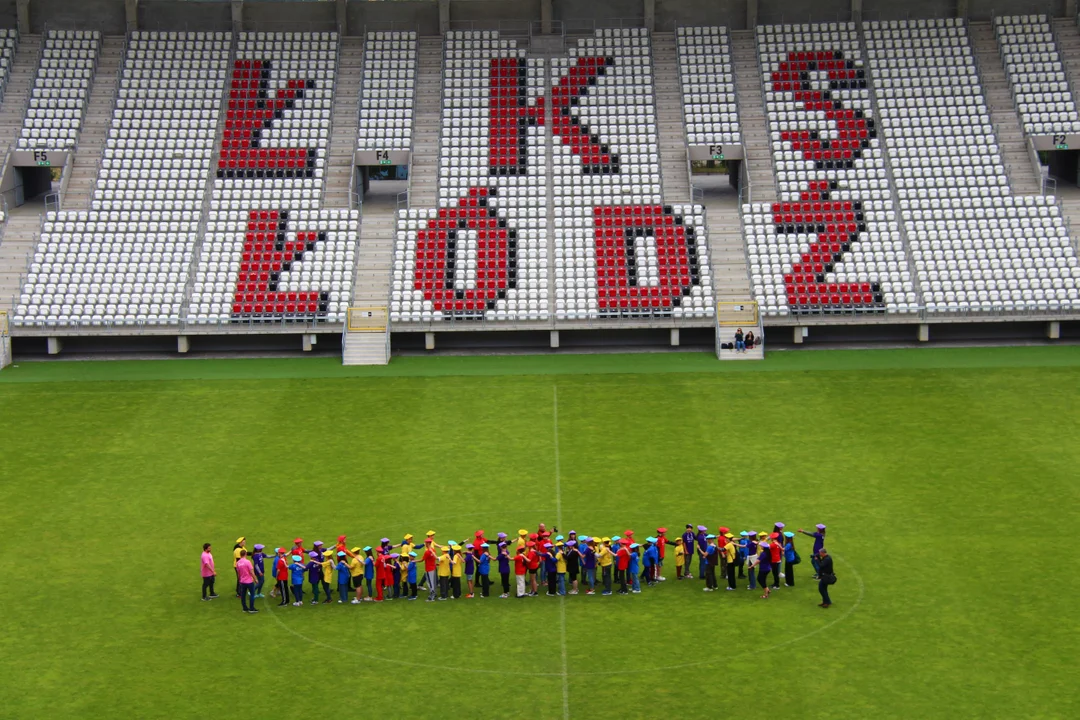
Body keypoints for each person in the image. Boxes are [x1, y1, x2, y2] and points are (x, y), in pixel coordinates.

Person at [236, 549, 257, 613]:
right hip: (249, 581)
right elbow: (251, 572)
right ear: (245, 554)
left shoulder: (238, 563)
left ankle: (244, 608)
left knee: (243, 595)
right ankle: (251, 608)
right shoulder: (248, 562)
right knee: (252, 594)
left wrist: (239, 579)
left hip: (242, 581)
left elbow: (238, 572)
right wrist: (255, 579)